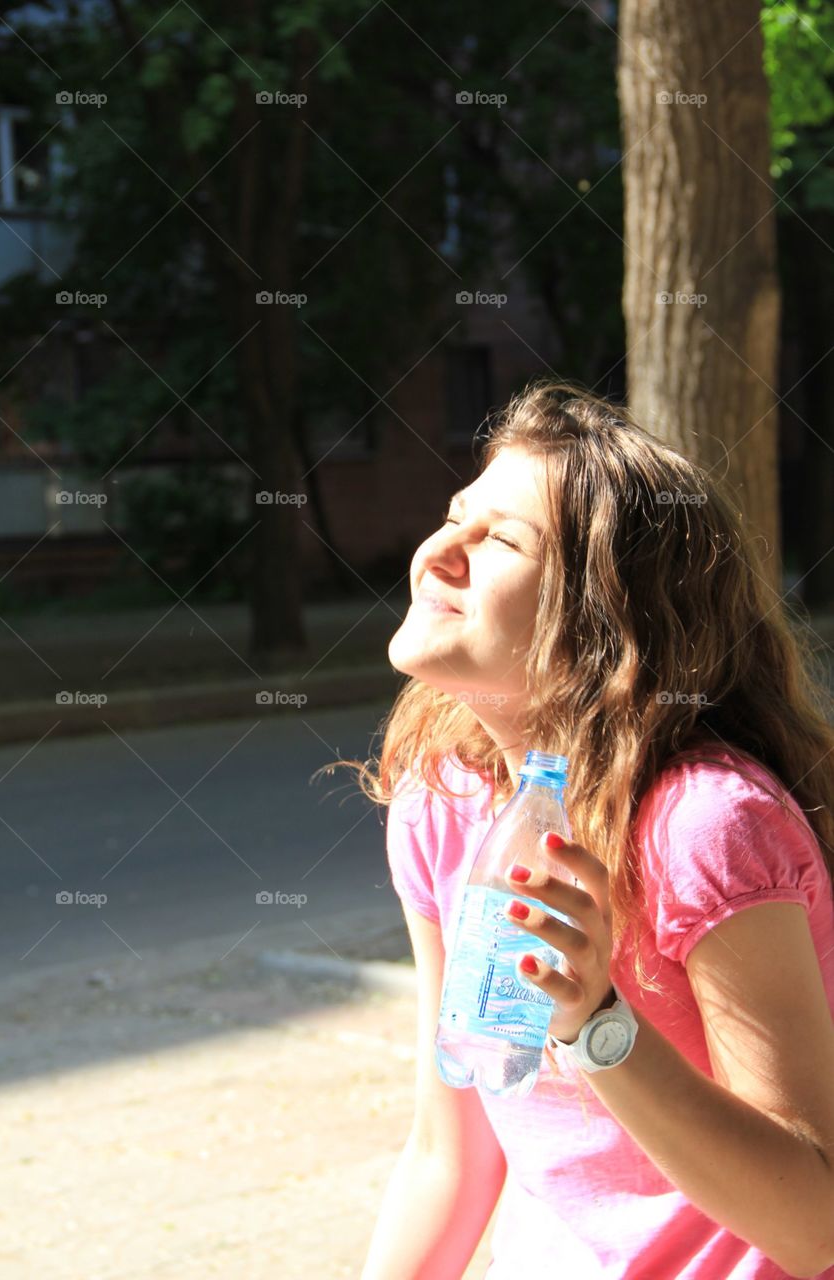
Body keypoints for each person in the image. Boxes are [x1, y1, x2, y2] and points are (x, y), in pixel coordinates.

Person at [322, 382, 834, 1279]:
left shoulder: (706, 825)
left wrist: (597, 1022)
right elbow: (453, 1152)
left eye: (502, 541)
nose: (439, 553)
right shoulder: (443, 803)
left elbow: (816, 1222)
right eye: (453, 518)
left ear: (604, 624)